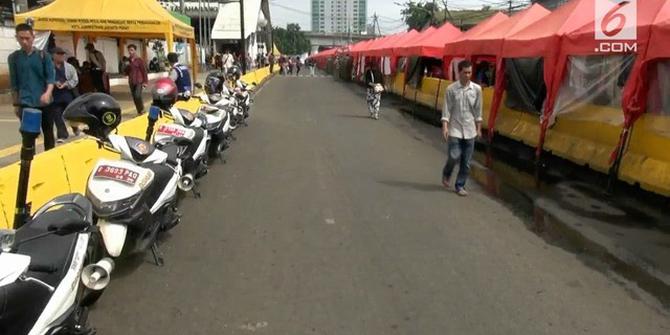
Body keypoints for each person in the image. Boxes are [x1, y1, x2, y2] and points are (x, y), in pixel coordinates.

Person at [8, 23, 56, 151]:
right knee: (28, 136)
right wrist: (16, 105)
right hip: (26, 103)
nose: (24, 41)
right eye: (21, 38)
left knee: (48, 134)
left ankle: (50, 159)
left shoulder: (43, 56)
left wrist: (47, 93)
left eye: (27, 38)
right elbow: (14, 83)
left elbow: (51, 78)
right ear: (16, 38)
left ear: (33, 37)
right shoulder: (14, 58)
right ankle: (28, 163)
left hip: (44, 103)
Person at [441, 60, 482, 196]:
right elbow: (446, 110)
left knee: (466, 162)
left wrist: (479, 128)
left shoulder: (476, 89)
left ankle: (460, 185)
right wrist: (445, 127)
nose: (468, 75)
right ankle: (447, 173)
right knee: (454, 156)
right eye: (465, 72)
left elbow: (478, 110)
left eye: (470, 72)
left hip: (470, 130)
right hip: (455, 129)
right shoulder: (451, 89)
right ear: (459, 73)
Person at [50, 47, 79, 143]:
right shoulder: (48, 67)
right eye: (59, 54)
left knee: (71, 114)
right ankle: (62, 135)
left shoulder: (69, 67)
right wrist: (54, 83)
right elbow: (44, 78)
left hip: (67, 94)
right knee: (57, 116)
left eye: (63, 54)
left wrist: (66, 84)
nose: (61, 56)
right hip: (54, 95)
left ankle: (75, 127)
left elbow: (75, 79)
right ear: (53, 55)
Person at [124, 44, 148, 115]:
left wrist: (145, 82)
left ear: (135, 50)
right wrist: (126, 66)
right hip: (131, 81)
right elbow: (126, 71)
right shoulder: (127, 60)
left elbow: (144, 71)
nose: (130, 52)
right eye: (129, 50)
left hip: (139, 81)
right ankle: (139, 111)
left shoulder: (139, 60)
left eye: (132, 50)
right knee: (134, 97)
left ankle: (142, 109)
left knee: (137, 95)